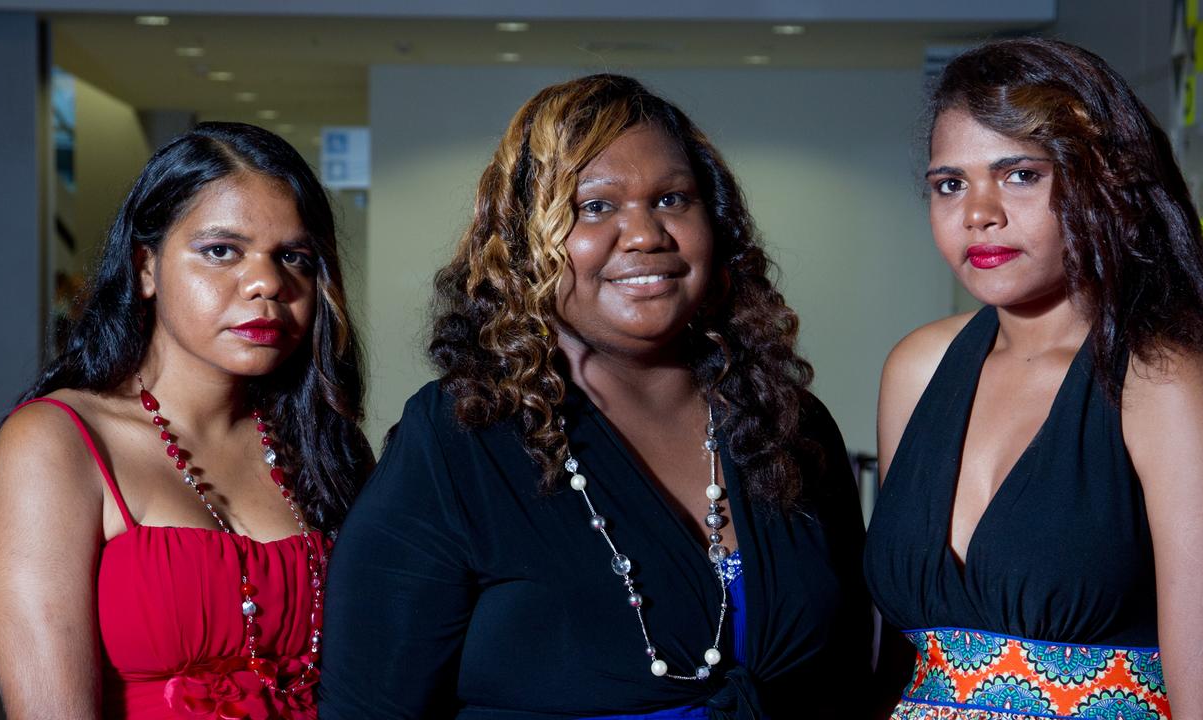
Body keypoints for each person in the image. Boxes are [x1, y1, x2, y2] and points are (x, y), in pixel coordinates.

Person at [319, 74, 871, 719]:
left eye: (672, 199)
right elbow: (370, 704)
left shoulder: (788, 424)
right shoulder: (459, 436)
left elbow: (846, 680)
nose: (644, 235)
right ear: (525, 244)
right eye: (595, 207)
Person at [864, 38, 1203, 719]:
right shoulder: (916, 368)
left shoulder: (1167, 381)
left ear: (1102, 178)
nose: (978, 212)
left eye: (1020, 174)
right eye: (950, 184)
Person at [0, 121, 372, 719]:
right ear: (146, 267)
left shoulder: (323, 445)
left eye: (294, 257)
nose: (267, 283)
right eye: (221, 251)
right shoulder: (57, 442)